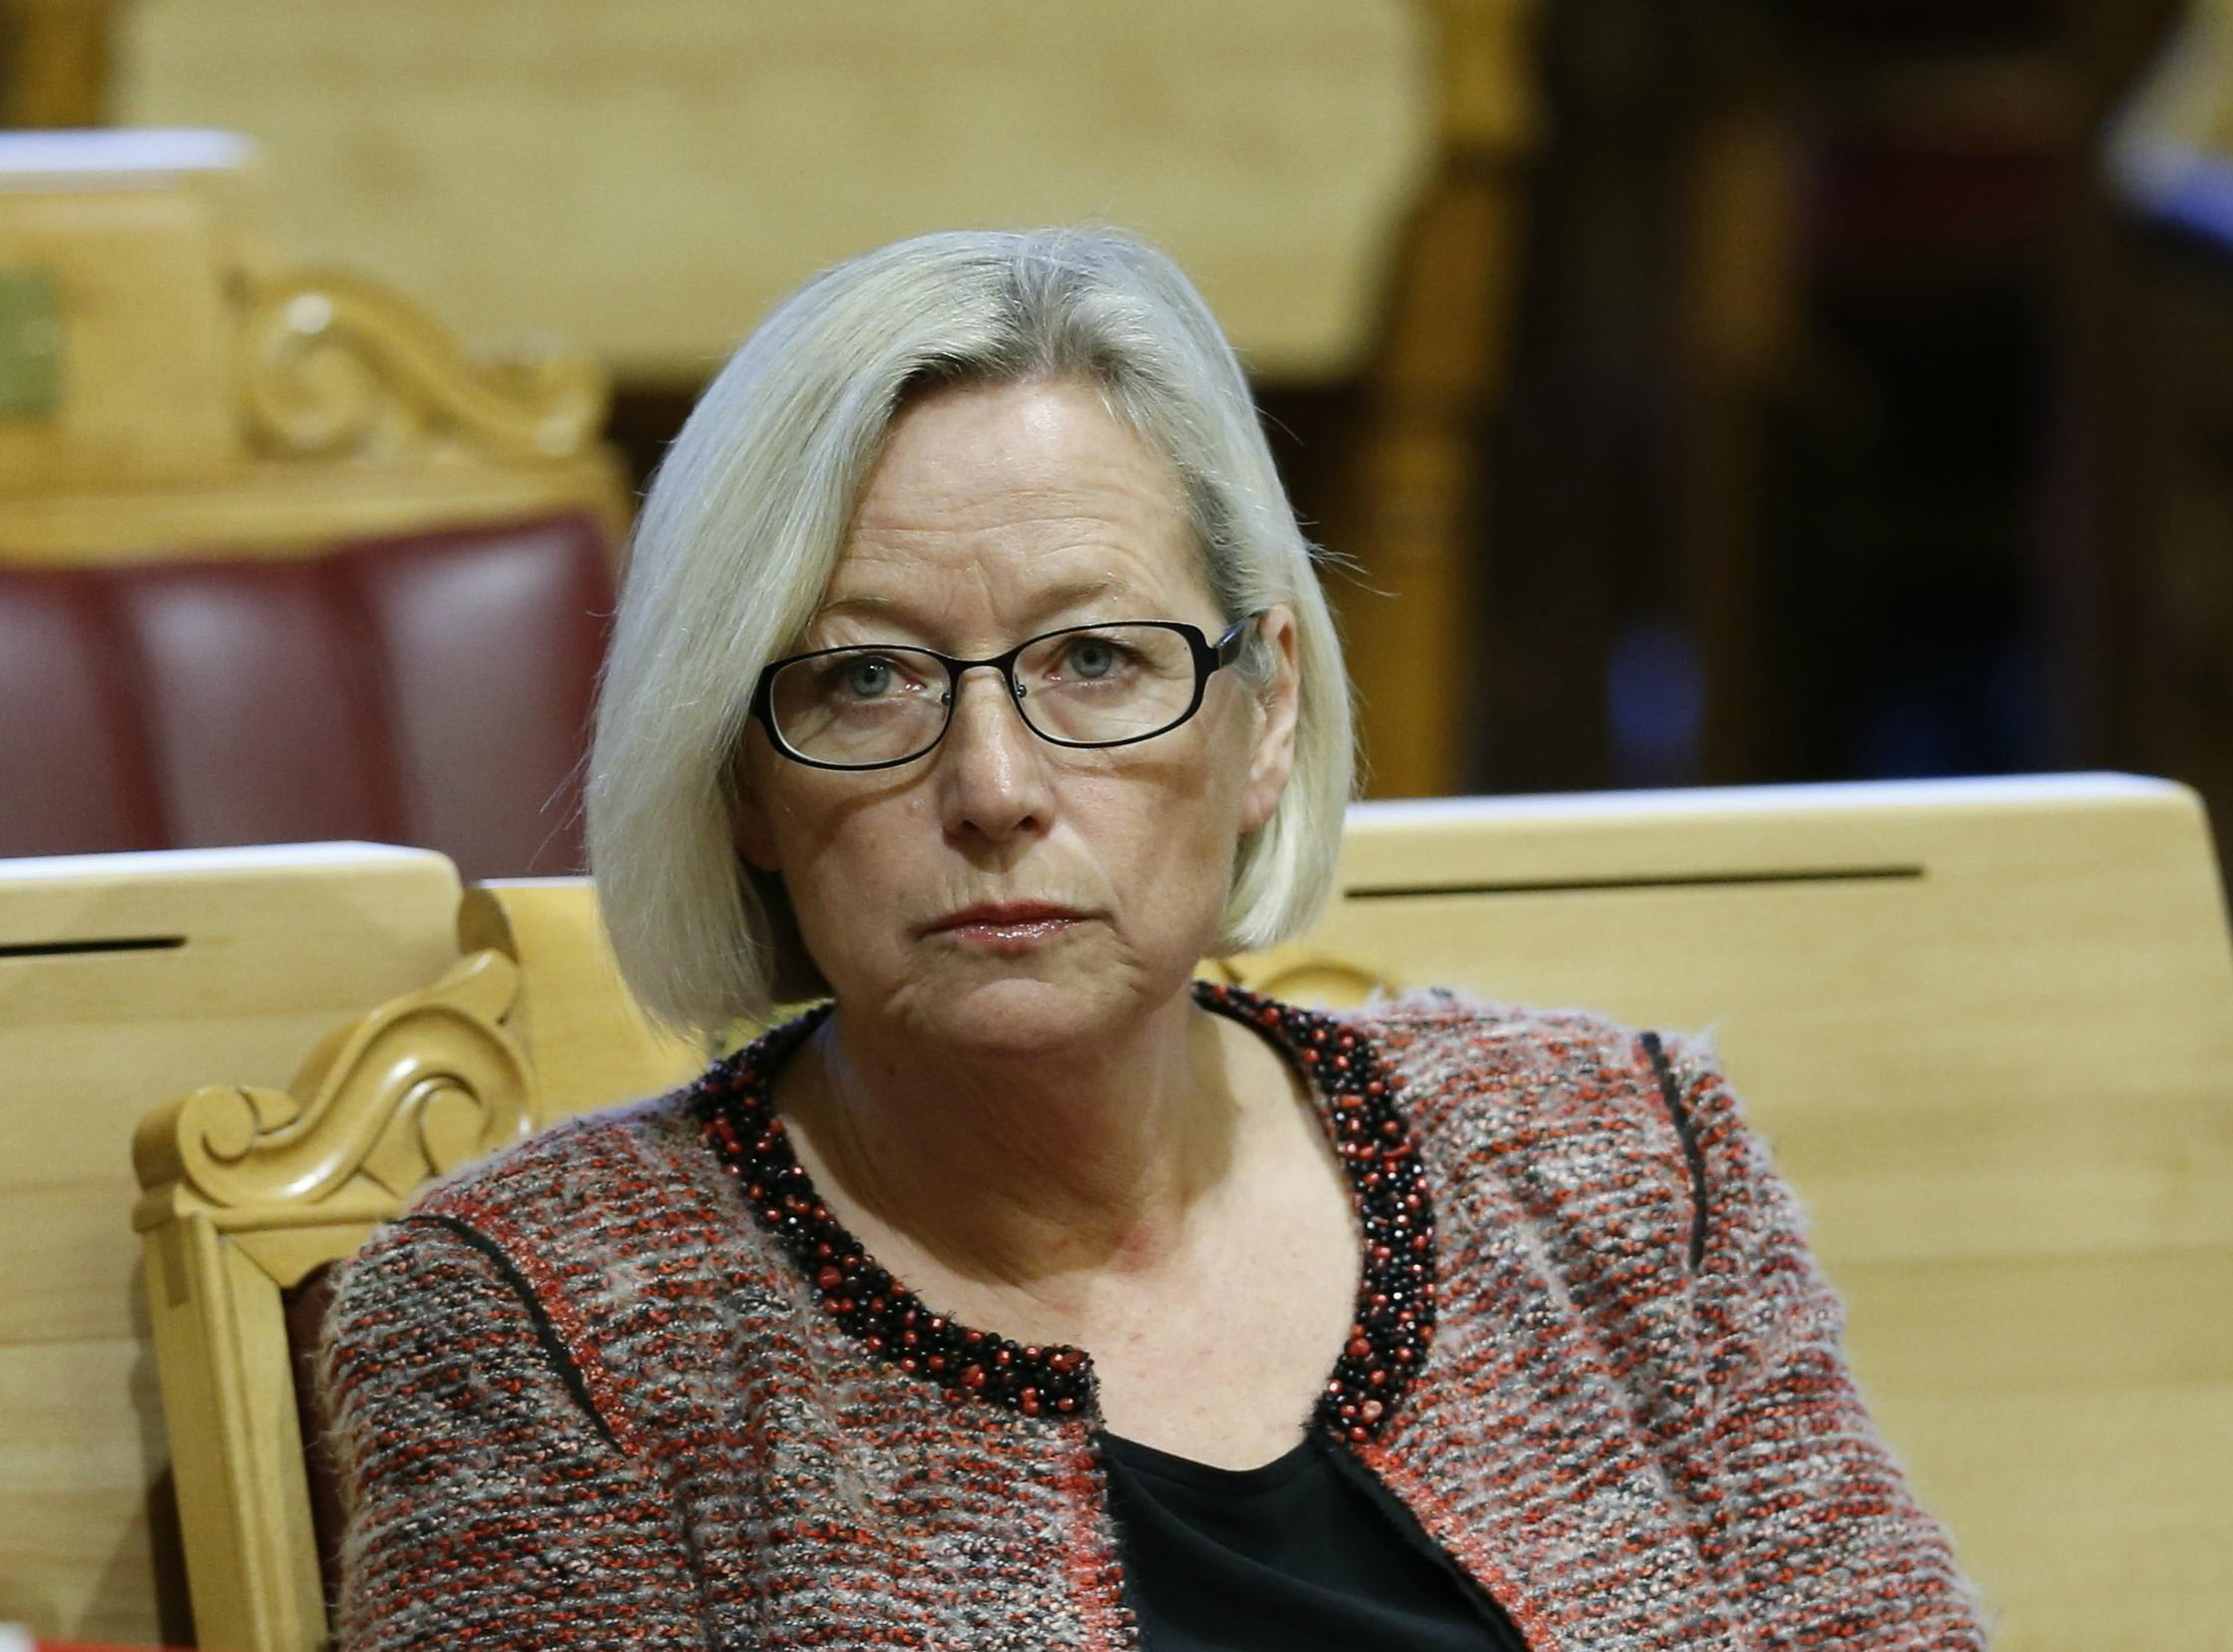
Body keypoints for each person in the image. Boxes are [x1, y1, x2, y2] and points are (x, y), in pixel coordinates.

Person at [319, 227, 1985, 1650]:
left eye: (1096, 659)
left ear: (1265, 712)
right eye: (864, 678)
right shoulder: (544, 1320)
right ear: (741, 777)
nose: (992, 787)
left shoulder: (1618, 1154)